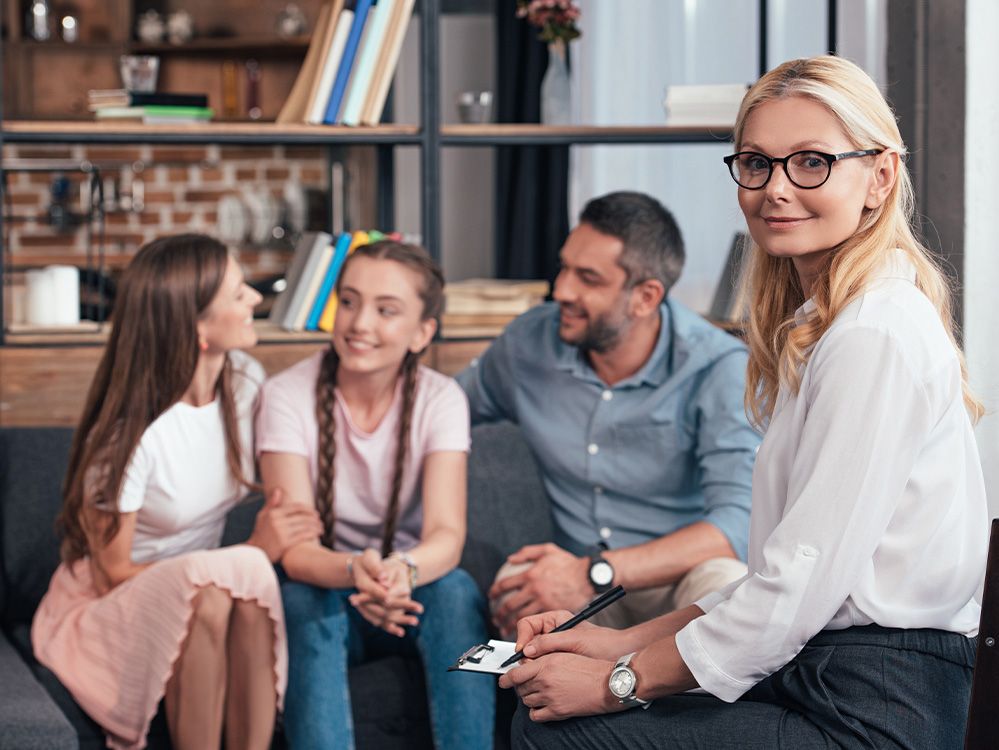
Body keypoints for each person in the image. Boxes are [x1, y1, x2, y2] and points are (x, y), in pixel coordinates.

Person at [502, 55, 988, 750]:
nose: (775, 189)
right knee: (547, 710)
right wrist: (611, 644)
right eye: (756, 164)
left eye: (811, 162)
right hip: (824, 672)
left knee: (562, 733)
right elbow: (775, 580)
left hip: (875, 705)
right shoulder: (829, 326)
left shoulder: (873, 334)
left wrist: (620, 679)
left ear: (878, 177)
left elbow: (794, 591)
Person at [31, 234, 322, 750]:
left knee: (237, 588)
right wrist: (251, 553)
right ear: (198, 327)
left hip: (208, 590)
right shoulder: (129, 436)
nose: (256, 299)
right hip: (109, 605)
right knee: (217, 588)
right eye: (238, 294)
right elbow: (112, 573)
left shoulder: (245, 384)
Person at [457, 191, 759, 634]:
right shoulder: (529, 344)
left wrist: (596, 570)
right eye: (564, 267)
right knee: (517, 586)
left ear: (645, 297)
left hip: (679, 581)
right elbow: (442, 412)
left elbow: (736, 525)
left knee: (730, 585)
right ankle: (566, 699)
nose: (561, 290)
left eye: (588, 279)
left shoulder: (719, 369)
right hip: (586, 590)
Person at [256, 239, 494, 750]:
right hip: (329, 581)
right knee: (301, 598)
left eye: (386, 310)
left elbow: (446, 537)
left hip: (409, 587)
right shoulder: (285, 396)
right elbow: (295, 551)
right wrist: (354, 572)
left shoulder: (441, 399)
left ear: (422, 332)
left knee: (455, 591)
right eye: (349, 301)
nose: (360, 322)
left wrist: (396, 575)